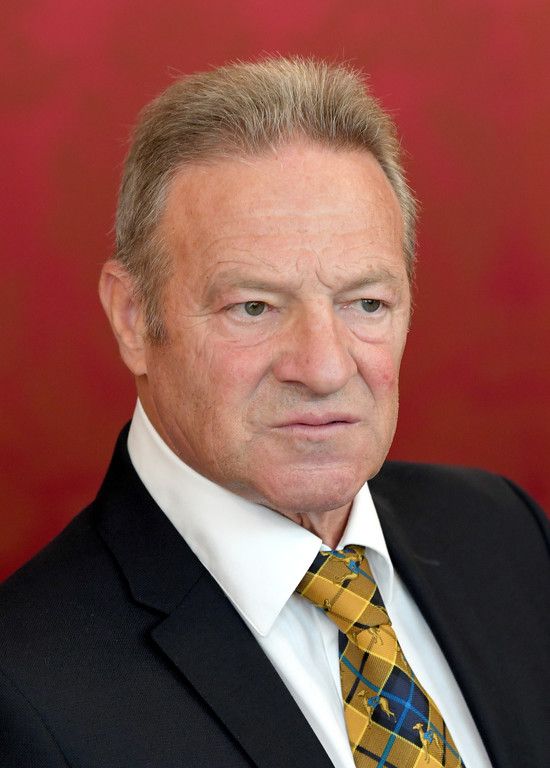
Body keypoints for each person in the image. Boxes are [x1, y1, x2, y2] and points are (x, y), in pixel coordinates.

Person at [0, 57, 548, 768]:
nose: (324, 368)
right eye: (254, 307)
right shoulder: (23, 694)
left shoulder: (508, 535)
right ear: (133, 317)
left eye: (366, 303)